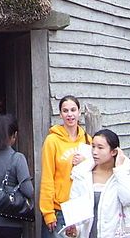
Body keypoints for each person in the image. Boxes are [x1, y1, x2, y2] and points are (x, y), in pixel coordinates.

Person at [66, 129, 130, 238]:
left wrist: (120, 170)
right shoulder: (82, 173)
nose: (95, 152)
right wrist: (75, 230)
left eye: (100, 148)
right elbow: (75, 207)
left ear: (114, 152)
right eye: (93, 146)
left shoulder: (128, 172)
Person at [39, 95, 91, 238]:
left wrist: (87, 160)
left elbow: (97, 168)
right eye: (65, 110)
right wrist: (48, 212)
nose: (70, 114)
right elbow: (47, 177)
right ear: (60, 114)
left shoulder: (87, 140)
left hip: (80, 209)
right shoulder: (52, 141)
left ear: (79, 112)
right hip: (59, 210)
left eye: (73, 110)